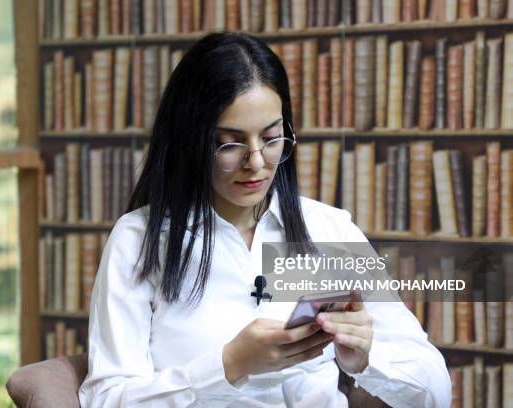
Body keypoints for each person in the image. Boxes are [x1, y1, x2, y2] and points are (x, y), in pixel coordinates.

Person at [78, 32, 451, 407]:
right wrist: (229, 365)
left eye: (271, 137)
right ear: (190, 140)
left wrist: (367, 361)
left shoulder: (327, 230)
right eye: (229, 143)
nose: (256, 162)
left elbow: (435, 389)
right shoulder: (140, 240)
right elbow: (106, 399)